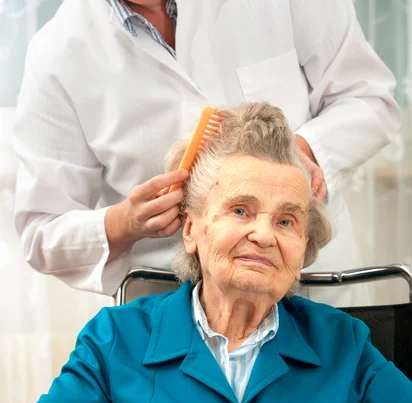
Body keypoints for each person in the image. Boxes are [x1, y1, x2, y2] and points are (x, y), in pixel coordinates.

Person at [2, 103, 412, 403]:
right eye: (241, 210)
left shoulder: (341, 342)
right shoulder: (121, 337)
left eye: (287, 221)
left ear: (303, 249)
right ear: (193, 229)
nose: (264, 234)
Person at [13, 0, 399, 306]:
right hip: (171, 308)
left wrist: (299, 153)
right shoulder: (59, 53)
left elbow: (369, 96)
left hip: (314, 286)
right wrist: (124, 222)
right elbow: (41, 232)